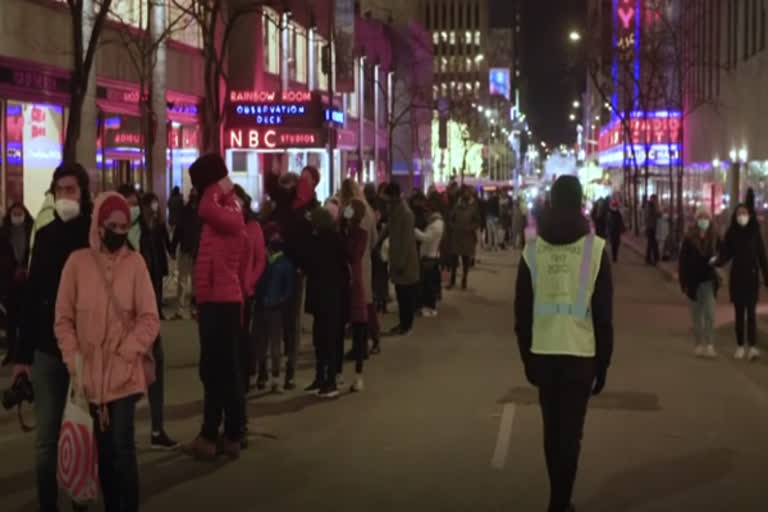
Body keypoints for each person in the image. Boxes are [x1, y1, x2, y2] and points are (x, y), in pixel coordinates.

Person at [54, 191, 160, 512]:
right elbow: (63, 319)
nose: (119, 232)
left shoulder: (136, 264)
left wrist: (129, 351)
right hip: (87, 377)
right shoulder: (77, 264)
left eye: (124, 226)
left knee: (122, 448)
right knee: (98, 451)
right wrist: (74, 360)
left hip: (124, 375)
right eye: (112, 225)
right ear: (98, 226)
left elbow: (149, 318)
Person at [514, 176, 614, 512]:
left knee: (552, 429)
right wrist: (604, 363)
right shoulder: (596, 249)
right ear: (581, 201)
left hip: (543, 352)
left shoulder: (532, 251)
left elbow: (521, 314)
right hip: (580, 354)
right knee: (571, 434)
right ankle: (559, 503)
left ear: (552, 202)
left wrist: (526, 357)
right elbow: (603, 316)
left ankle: (557, 500)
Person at [12, 162, 93, 512]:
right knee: (46, 439)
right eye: (59, 191)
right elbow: (31, 299)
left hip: (86, 353)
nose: (65, 197)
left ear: (83, 193)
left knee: (83, 433)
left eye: (71, 190)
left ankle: (80, 499)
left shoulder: (95, 236)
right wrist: (21, 357)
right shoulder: (44, 236)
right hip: (47, 350)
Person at [184, 154, 252, 460]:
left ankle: (230, 432)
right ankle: (215, 432)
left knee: (223, 371)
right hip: (213, 299)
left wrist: (216, 188)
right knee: (214, 370)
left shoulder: (227, 207)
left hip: (223, 301)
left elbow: (205, 207)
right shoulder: (224, 207)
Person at [118, 187, 177, 449]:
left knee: (155, 370)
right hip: (122, 318)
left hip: (148, 312)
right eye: (127, 205)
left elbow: (155, 268)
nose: (133, 210)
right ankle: (124, 432)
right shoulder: (112, 236)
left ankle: (156, 429)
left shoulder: (149, 230)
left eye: (135, 205)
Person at [713, 204, 768, 361]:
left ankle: (752, 347)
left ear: (749, 215)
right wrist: (715, 262)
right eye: (739, 213)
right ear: (735, 216)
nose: (741, 216)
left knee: (751, 313)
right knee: (738, 313)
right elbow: (725, 254)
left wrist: (766, 275)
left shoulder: (755, 232)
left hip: (751, 277)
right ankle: (739, 346)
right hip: (737, 277)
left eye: (744, 213)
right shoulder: (732, 232)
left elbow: (762, 256)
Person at [304, 206, 348, 398]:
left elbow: (316, 264)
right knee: (321, 339)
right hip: (326, 296)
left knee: (327, 340)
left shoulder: (327, 240)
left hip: (328, 296)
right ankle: (321, 377)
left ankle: (329, 379)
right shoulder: (324, 239)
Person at [340, 179, 380, 358]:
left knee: (359, 303)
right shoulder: (368, 209)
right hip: (366, 259)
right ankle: (375, 339)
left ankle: (361, 345)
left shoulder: (351, 208)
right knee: (368, 302)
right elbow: (374, 238)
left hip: (355, 259)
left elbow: (342, 226)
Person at [255, 229, 294, 394]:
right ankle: (276, 379)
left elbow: (258, 283)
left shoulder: (264, 264)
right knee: (276, 345)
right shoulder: (286, 265)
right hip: (277, 310)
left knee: (261, 344)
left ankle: (262, 375)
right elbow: (288, 289)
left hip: (262, 307)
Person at [679, 207, 720, 358]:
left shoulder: (715, 237)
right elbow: (683, 262)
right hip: (693, 281)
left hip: (708, 280)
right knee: (696, 315)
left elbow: (722, 254)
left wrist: (718, 260)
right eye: (701, 217)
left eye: (706, 217)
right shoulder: (689, 239)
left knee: (710, 313)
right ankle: (698, 343)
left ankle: (709, 344)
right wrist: (683, 282)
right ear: (696, 220)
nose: (704, 220)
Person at [384, 182, 420, 337]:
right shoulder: (394, 210)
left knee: (406, 295)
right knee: (400, 294)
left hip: (405, 261)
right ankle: (403, 323)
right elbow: (388, 229)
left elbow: (406, 242)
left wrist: (400, 263)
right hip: (397, 258)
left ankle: (407, 325)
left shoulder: (406, 214)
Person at [0, 203, 33, 366]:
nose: (18, 215)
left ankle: (26, 354)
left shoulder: (32, 231)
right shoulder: (3, 234)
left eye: (20, 213)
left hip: (28, 282)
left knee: (27, 319)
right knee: (11, 321)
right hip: (9, 284)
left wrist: (26, 268)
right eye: (15, 212)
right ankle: (11, 353)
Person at [341, 199, 369, 392]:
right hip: (341, 282)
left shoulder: (360, 234)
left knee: (359, 329)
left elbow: (353, 255)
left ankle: (359, 375)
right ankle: (337, 374)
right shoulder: (342, 231)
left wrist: (344, 235)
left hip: (354, 282)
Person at [170, 189, 201, 320]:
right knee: (183, 281)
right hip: (187, 250)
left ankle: (192, 309)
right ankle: (181, 309)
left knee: (194, 282)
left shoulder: (200, 212)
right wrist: (173, 247)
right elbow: (178, 231)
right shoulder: (187, 212)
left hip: (196, 251)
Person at [415, 194, 445, 317]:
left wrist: (414, 230)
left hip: (430, 257)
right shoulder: (435, 222)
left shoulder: (436, 224)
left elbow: (426, 238)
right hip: (430, 256)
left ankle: (430, 308)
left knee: (428, 284)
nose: (426, 213)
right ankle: (428, 307)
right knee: (428, 284)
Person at [448, 185, 481, 290]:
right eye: (464, 192)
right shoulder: (456, 205)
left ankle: (464, 280)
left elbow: (477, 221)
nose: (466, 194)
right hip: (456, 236)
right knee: (453, 260)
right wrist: (453, 226)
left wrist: (470, 228)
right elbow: (450, 218)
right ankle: (452, 281)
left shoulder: (473, 206)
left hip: (467, 237)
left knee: (465, 260)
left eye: (468, 192)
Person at [645, 194, 661, 265]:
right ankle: (654, 258)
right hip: (652, 227)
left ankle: (650, 258)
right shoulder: (652, 206)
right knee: (653, 243)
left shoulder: (649, 205)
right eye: (655, 199)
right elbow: (657, 214)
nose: (656, 201)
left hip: (650, 227)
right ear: (653, 199)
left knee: (651, 243)